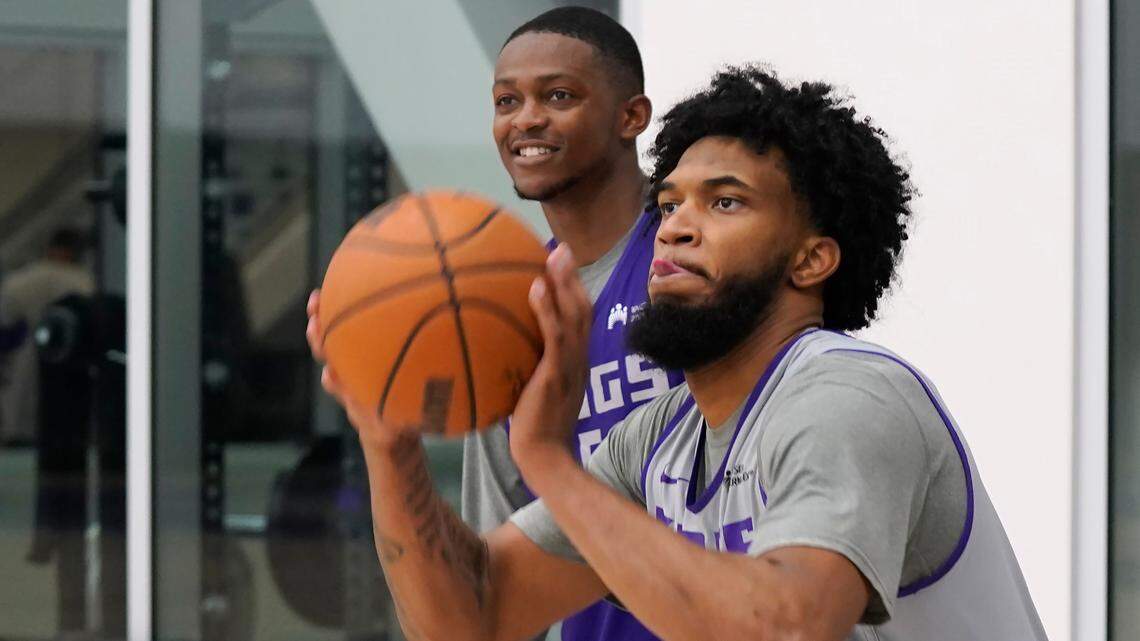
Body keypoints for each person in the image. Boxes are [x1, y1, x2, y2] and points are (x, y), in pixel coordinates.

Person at [310, 65, 1049, 640]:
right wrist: (388, 438)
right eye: (668, 205)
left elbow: (786, 625)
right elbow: (472, 617)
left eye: (724, 202)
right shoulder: (658, 438)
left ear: (812, 259)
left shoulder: (848, 399)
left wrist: (548, 461)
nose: (674, 228)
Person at [313, 7, 682, 639]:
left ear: (632, 116)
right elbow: (478, 606)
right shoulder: (504, 311)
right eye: (506, 100)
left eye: (558, 95)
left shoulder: (692, 257)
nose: (526, 119)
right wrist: (386, 442)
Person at [0, 228, 94, 445]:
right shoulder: (84, 282)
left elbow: (5, 324)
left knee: (22, 424)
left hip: (23, 372)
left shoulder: (20, 281)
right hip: (71, 371)